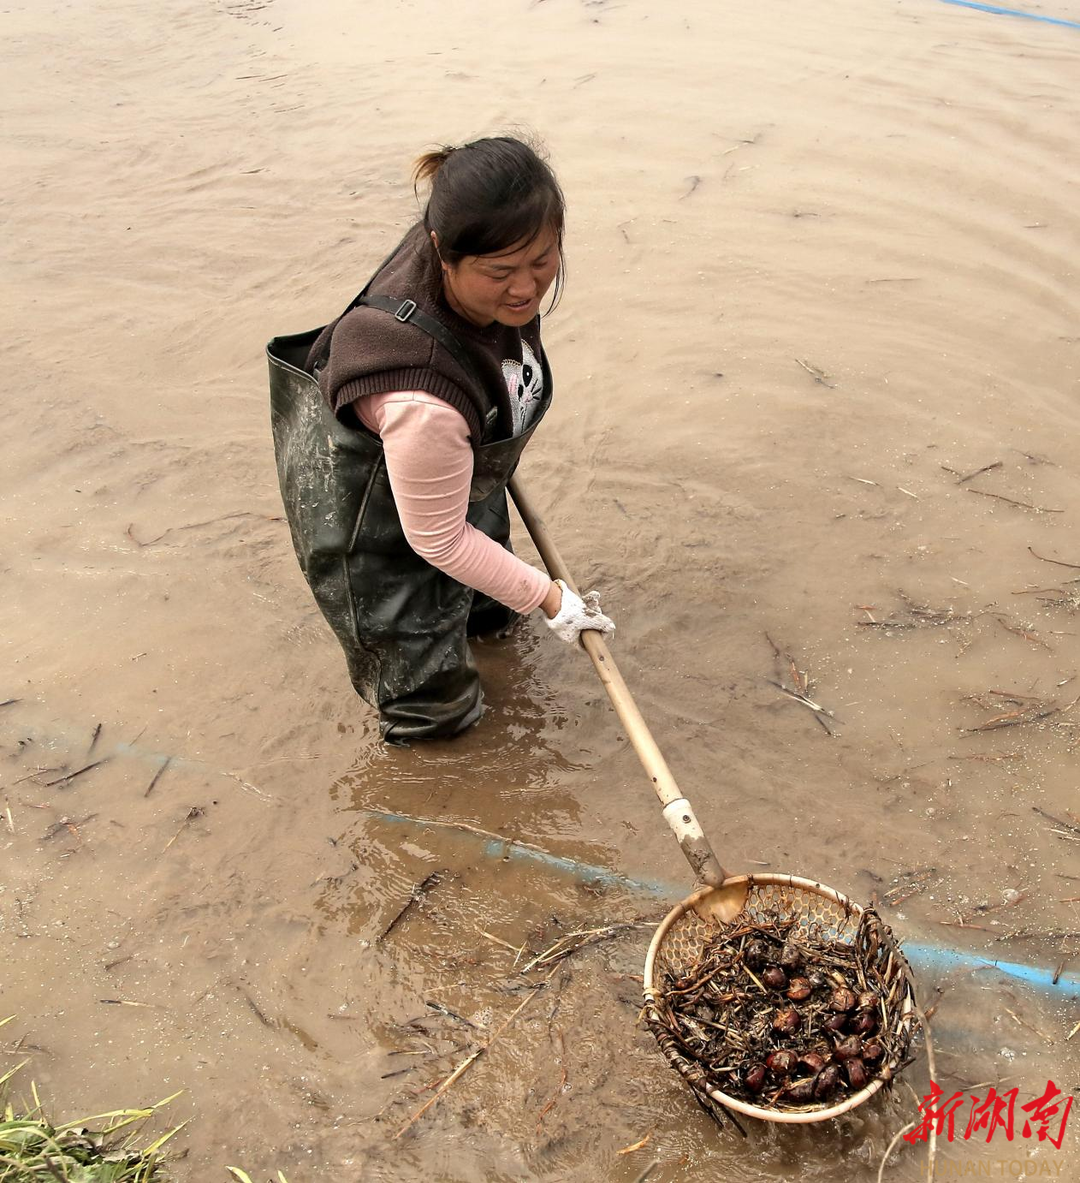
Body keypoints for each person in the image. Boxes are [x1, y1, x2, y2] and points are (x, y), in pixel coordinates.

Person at [268, 135, 615, 744]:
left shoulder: (480, 242)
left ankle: (487, 636)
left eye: (543, 260)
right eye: (501, 273)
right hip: (374, 526)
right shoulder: (421, 404)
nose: (526, 289)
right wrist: (551, 599)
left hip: (448, 462)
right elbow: (438, 539)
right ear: (441, 252)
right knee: (436, 715)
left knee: (490, 617)